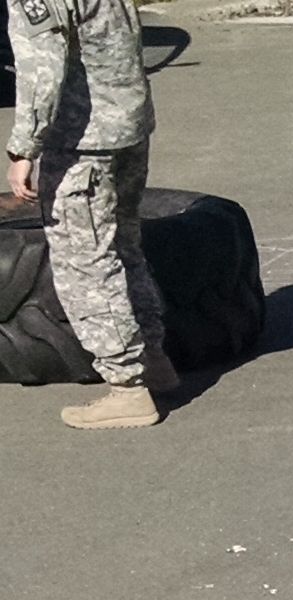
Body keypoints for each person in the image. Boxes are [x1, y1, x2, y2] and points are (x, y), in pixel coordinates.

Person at [5, 0, 174, 429]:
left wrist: (24, 148)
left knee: (85, 262)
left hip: (83, 142)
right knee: (123, 246)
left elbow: (42, 68)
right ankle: (153, 360)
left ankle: (127, 386)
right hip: (127, 127)